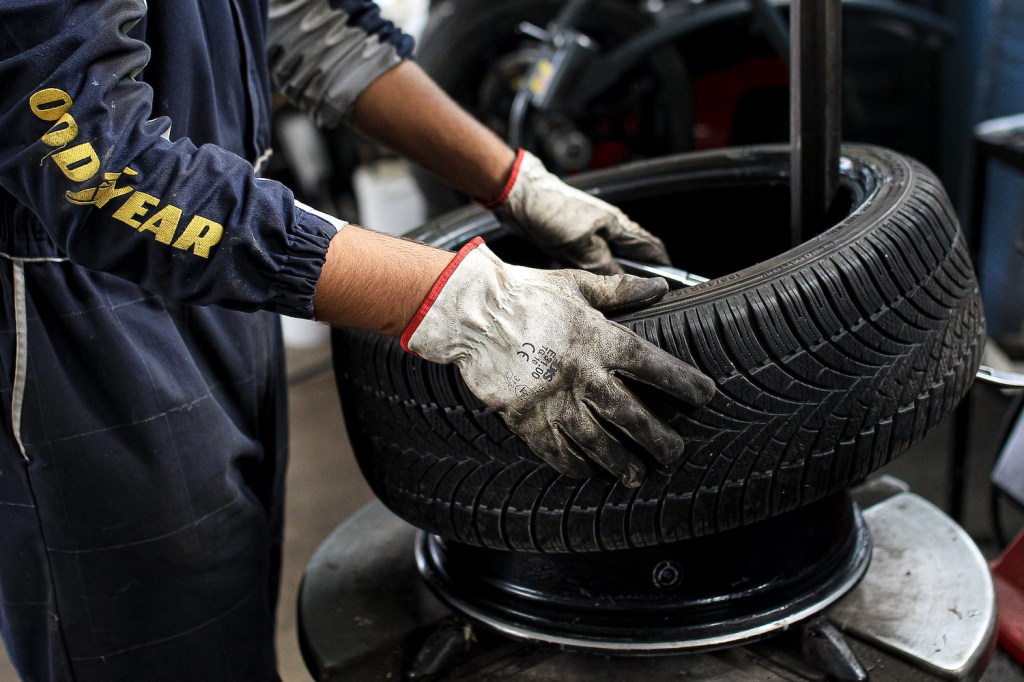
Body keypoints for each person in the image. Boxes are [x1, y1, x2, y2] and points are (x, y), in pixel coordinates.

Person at [0, 1, 714, 679]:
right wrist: (457, 303)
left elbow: (308, 19)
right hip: (73, 302)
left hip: (211, 256)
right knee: (163, 650)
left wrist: (516, 182)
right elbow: (90, 159)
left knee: (225, 618)